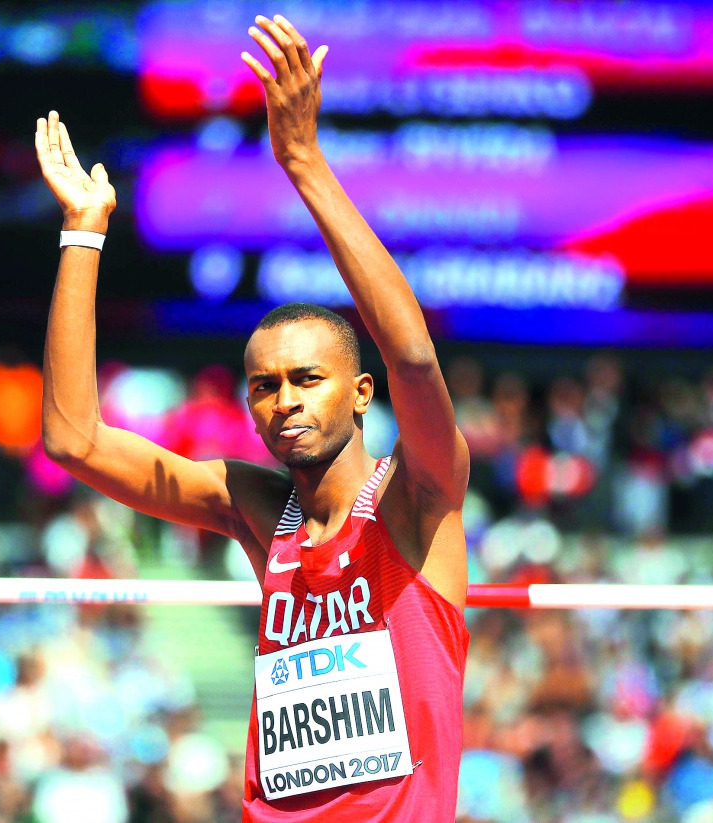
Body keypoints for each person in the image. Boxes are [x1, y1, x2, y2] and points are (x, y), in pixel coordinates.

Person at [35, 13, 469, 822]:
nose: (284, 401)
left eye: (307, 378)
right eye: (264, 386)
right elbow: (73, 438)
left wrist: (302, 162)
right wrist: (83, 233)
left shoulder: (421, 497)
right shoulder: (259, 508)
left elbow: (412, 356)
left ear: (362, 393)